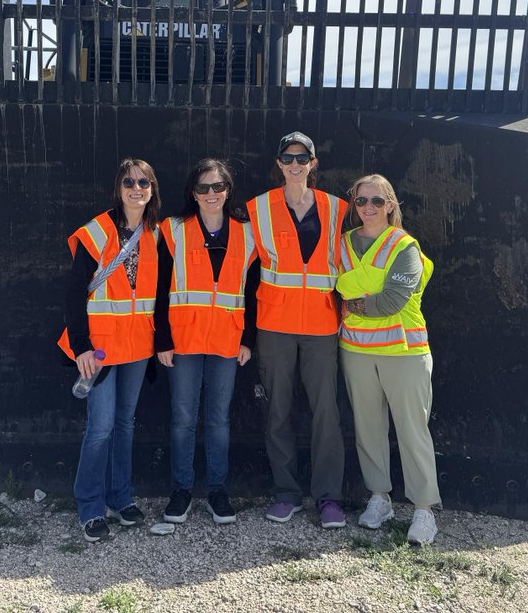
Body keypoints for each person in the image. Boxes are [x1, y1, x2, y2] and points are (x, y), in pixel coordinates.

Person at [248, 131, 349, 529]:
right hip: (274, 325)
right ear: (278, 163)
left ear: (313, 162)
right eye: (287, 158)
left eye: (302, 158)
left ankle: (329, 498)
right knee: (278, 410)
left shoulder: (338, 208)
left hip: (323, 325)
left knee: (327, 412)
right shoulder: (258, 208)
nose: (294, 165)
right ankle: (286, 493)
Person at [58, 158, 161, 542]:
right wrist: (81, 346)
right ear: (118, 188)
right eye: (129, 182)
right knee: (100, 428)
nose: (137, 189)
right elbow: (73, 293)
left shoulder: (156, 233)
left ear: (152, 189)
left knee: (125, 424)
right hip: (99, 348)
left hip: (136, 345)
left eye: (144, 182)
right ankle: (89, 507)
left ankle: (121, 498)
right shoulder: (97, 231)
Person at [336, 173, 441, 546]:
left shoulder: (404, 246)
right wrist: (361, 291)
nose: (368, 208)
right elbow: (336, 292)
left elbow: (393, 301)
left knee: (413, 432)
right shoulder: (343, 244)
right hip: (356, 351)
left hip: (404, 353)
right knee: (368, 429)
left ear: (390, 205)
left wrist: (352, 298)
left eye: (377, 201)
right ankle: (379, 498)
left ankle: (424, 510)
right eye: (361, 201)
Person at [154, 158, 260, 526]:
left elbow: (253, 290)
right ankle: (181, 491)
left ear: (228, 190)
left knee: (218, 420)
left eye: (218, 187)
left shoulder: (248, 233)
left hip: (227, 340)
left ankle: (217, 491)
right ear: (193, 193)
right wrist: (162, 340)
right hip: (183, 340)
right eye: (203, 188)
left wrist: (247, 339)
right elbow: (159, 286)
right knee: (183, 419)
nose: (211, 194)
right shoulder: (173, 229)